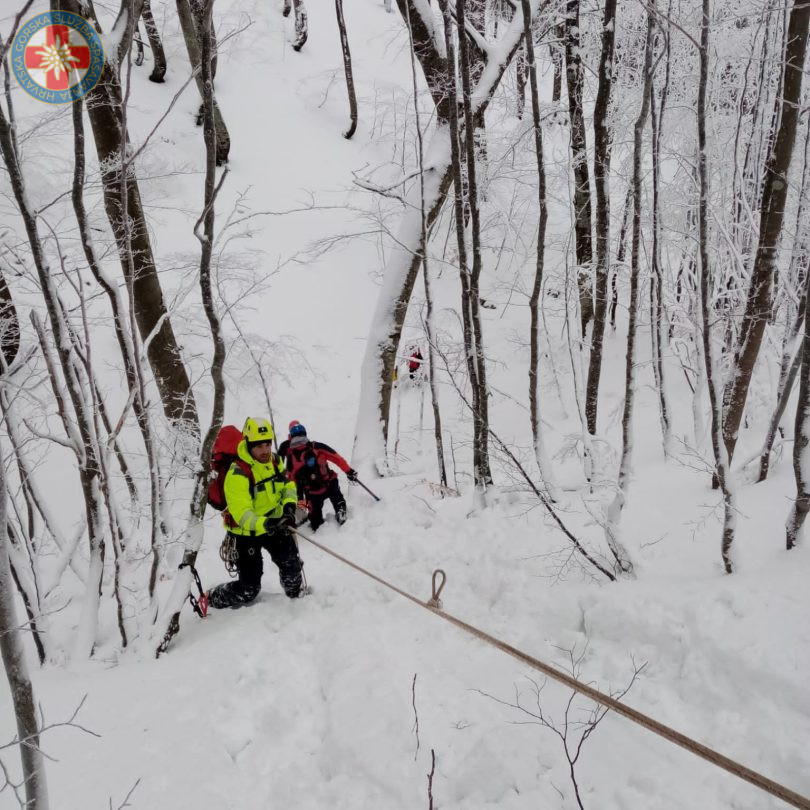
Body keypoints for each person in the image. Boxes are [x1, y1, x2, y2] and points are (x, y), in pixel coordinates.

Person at [207, 417, 304, 608]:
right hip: (246, 534)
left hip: (275, 523)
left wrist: (289, 506)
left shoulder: (275, 461)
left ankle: (297, 601)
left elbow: (288, 485)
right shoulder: (238, 473)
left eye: (268, 444)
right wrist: (265, 523)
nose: (266, 450)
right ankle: (211, 597)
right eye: (259, 446)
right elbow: (241, 513)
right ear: (248, 444)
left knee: (292, 568)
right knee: (248, 589)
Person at [278, 421, 357, 531]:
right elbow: (336, 458)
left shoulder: (291, 457)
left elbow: (293, 483)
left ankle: (315, 523)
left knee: (316, 522)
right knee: (337, 499)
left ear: (290, 436)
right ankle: (340, 511)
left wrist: (300, 503)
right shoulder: (317, 447)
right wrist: (349, 471)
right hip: (329, 483)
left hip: (312, 493)